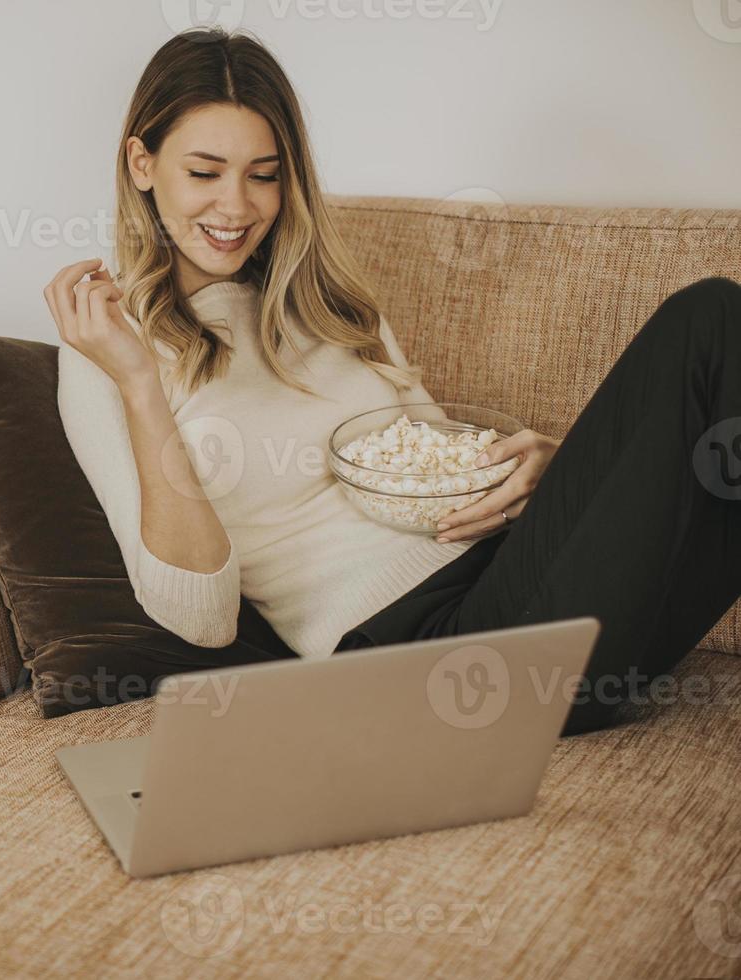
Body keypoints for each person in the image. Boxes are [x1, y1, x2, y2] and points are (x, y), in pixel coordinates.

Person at [44, 26, 741, 737]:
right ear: (141, 163)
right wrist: (139, 381)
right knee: (708, 320)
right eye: (204, 172)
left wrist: (549, 478)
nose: (237, 207)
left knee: (722, 360)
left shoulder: (337, 306)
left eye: (264, 174)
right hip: (422, 658)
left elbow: (446, 485)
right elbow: (200, 618)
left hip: (515, 589)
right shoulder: (106, 353)